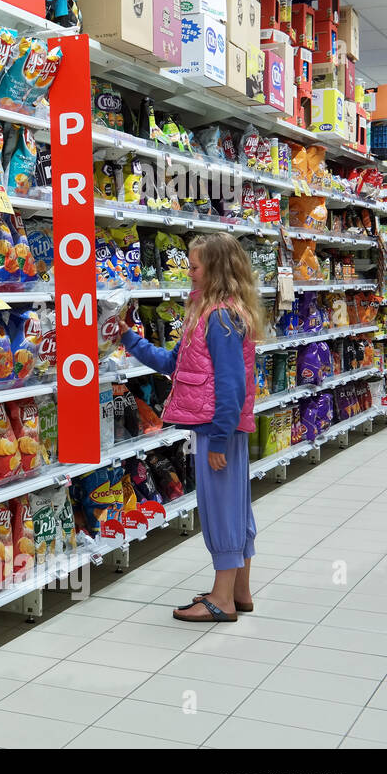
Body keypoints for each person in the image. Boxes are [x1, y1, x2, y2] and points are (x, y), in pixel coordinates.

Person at [118, 233, 265, 623]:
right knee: (235, 507)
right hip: (220, 428)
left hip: (221, 431)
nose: (189, 272)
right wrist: (128, 338)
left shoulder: (220, 318)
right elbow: (174, 364)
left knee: (221, 509)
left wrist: (217, 438)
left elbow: (232, 385)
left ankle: (222, 600)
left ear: (214, 270)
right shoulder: (210, 313)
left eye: (195, 266)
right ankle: (239, 591)